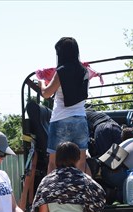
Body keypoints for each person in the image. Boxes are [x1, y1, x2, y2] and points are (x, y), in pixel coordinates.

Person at [39, 37, 91, 174]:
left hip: (60, 119)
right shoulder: (85, 71)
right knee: (81, 161)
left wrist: (41, 82)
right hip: (80, 119)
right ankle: (79, 192)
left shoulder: (61, 71)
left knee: (53, 161)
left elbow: (46, 93)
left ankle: (53, 191)